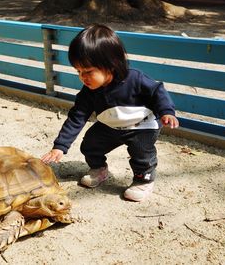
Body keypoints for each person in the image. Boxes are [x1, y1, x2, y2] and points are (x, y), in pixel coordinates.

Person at [41, 24, 179, 202]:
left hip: (142, 125)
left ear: (111, 65)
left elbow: (157, 91)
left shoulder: (135, 79)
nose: (83, 77)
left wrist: (167, 112)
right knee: (90, 144)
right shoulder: (88, 91)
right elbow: (77, 117)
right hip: (111, 124)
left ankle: (143, 179)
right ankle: (99, 169)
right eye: (78, 71)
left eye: (88, 71)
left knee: (141, 153)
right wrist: (60, 146)